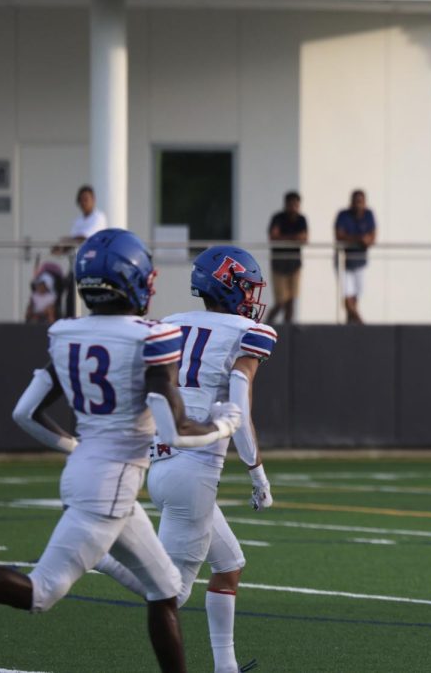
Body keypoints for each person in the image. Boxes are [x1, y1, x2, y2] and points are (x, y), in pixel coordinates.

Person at [0, 229, 244, 673]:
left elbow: (25, 413)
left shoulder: (66, 333)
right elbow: (175, 430)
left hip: (89, 473)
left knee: (166, 589)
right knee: (41, 592)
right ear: (133, 280)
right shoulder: (151, 338)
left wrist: (78, 445)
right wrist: (224, 423)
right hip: (110, 489)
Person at [95, 245, 276, 673]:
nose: (252, 298)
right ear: (228, 286)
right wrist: (257, 473)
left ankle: (226, 667)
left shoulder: (168, 323)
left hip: (164, 462)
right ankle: (101, 556)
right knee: (171, 595)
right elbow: (239, 402)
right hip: (193, 473)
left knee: (229, 565)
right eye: (246, 288)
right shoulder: (248, 331)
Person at [53, 185, 109, 316]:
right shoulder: (78, 220)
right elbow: (73, 241)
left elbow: (85, 238)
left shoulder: (99, 217)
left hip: (94, 265)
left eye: (86, 199)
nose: (84, 203)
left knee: (94, 295)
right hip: (77, 264)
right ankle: (70, 320)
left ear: (93, 200)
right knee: (69, 294)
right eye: (81, 200)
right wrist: (60, 247)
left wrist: (65, 241)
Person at [334, 189, 376, 325]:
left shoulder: (368, 215)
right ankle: (361, 324)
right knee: (347, 298)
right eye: (356, 201)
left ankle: (350, 323)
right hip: (344, 261)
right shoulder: (343, 215)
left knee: (355, 298)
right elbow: (339, 235)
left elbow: (372, 237)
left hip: (360, 262)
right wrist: (358, 239)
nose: (358, 204)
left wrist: (365, 240)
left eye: (360, 201)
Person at [265, 191, 308, 324]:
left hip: (294, 265)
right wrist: (294, 238)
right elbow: (273, 237)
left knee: (291, 301)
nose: (293, 207)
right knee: (281, 301)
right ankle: (266, 324)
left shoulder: (301, 219)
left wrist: (285, 238)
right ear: (286, 204)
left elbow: (304, 239)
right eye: (291, 204)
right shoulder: (278, 218)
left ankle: (287, 329)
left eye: (295, 204)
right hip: (279, 264)